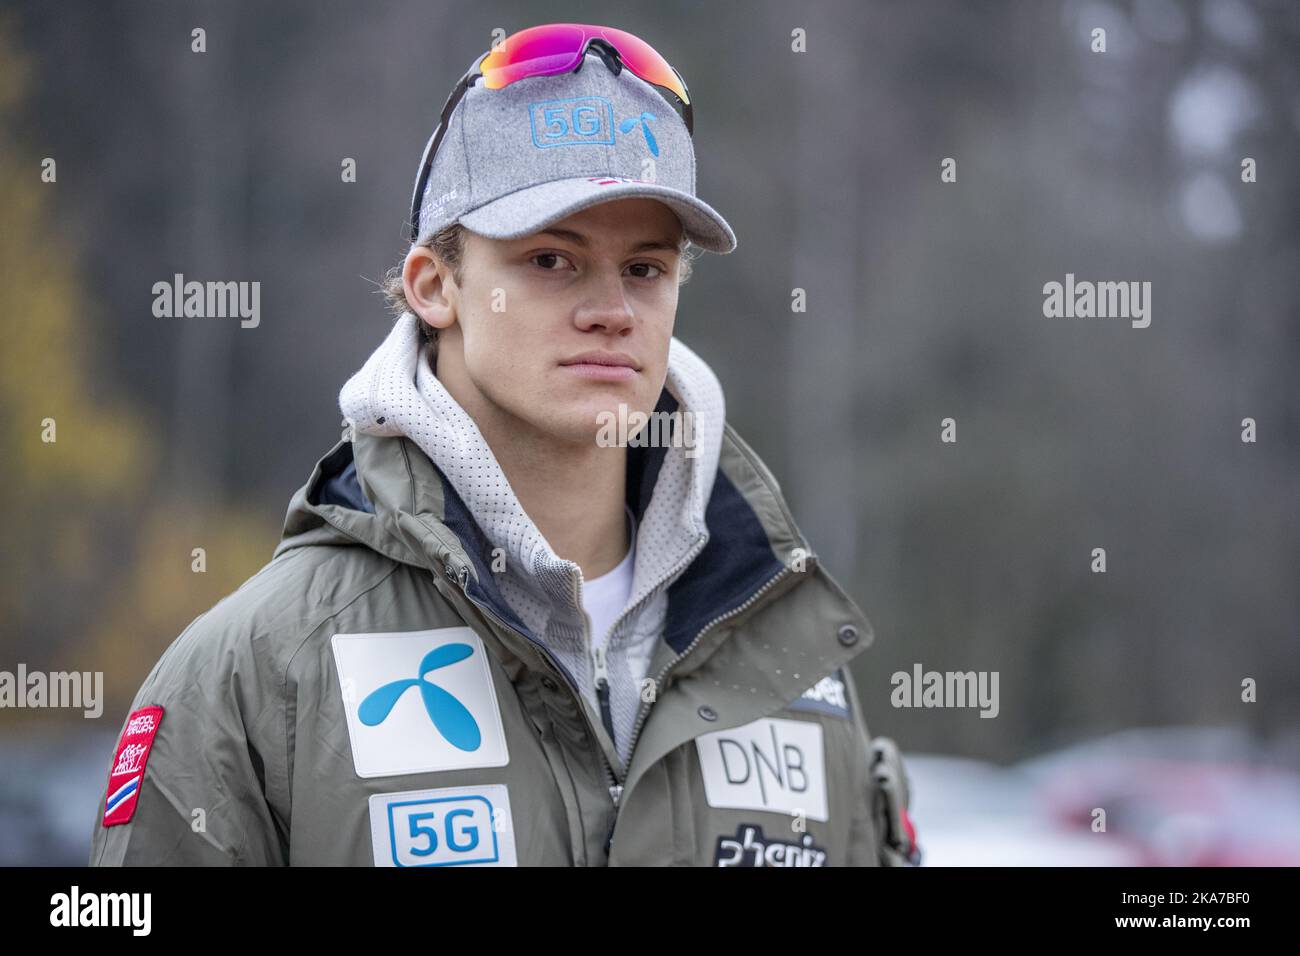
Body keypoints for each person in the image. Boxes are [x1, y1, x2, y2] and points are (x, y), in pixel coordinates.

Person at [90, 22, 919, 867]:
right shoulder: (259, 671)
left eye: (646, 268)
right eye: (552, 259)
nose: (613, 310)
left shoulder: (791, 666)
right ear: (435, 286)